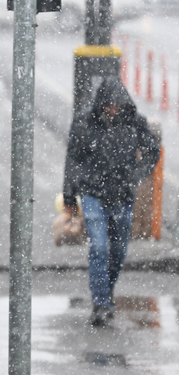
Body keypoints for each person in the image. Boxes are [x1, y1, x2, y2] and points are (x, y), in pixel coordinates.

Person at [62, 76, 160, 327]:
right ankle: (101, 303)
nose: (112, 110)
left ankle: (106, 293)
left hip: (122, 195)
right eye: (108, 105)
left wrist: (136, 176)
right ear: (101, 104)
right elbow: (73, 161)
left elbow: (152, 151)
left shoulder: (135, 122)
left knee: (118, 252)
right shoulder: (84, 122)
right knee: (99, 248)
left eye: (117, 105)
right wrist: (69, 197)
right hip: (92, 193)